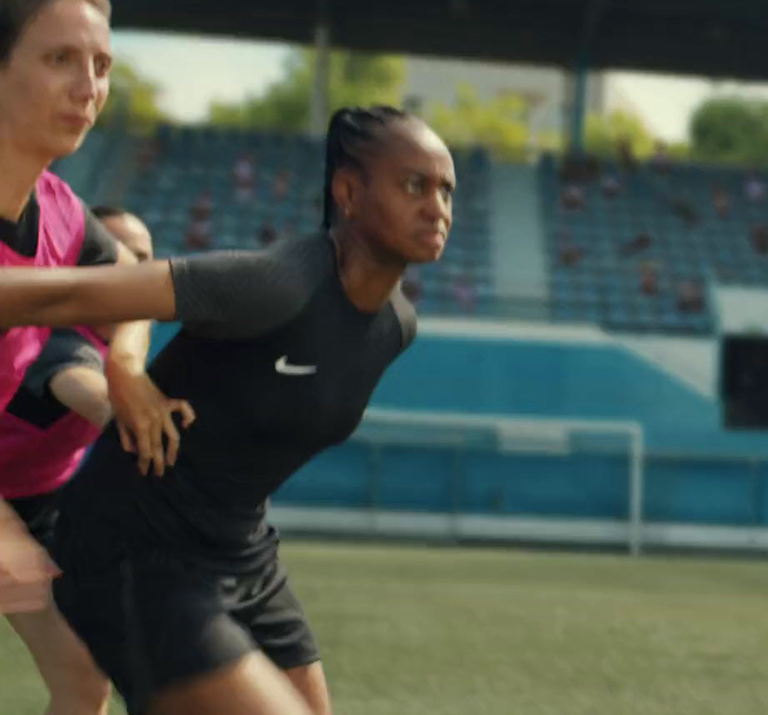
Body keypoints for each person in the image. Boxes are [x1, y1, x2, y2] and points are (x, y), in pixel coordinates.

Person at [0, 105, 452, 715]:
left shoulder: (396, 328)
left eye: (446, 189)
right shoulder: (274, 283)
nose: (436, 206)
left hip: (242, 553)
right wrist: (124, 369)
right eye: (413, 185)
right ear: (347, 192)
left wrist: (127, 365)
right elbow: (80, 290)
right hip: (132, 549)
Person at [0, 0, 183, 715]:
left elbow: (135, 291)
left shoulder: (66, 211)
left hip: (24, 489)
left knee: (83, 677)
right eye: (60, 59)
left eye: (102, 63)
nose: (89, 86)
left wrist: (127, 370)